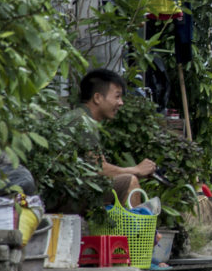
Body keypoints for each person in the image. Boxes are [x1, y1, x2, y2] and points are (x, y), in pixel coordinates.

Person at [66, 68, 157, 210]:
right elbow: (99, 169)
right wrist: (136, 170)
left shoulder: (80, 116)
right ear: (97, 98)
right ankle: (135, 232)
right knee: (129, 182)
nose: (121, 103)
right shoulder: (83, 122)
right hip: (66, 193)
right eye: (117, 96)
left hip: (70, 189)